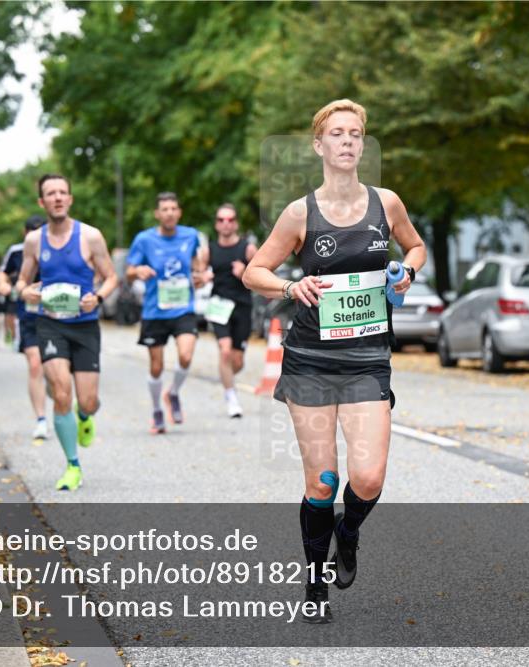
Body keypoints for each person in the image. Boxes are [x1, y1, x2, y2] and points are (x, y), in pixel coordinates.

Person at [242, 100, 426, 623]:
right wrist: (289, 284)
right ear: (319, 146)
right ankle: (316, 579)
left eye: (355, 134)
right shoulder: (300, 213)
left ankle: (348, 533)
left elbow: (416, 248)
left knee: (367, 479)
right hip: (311, 361)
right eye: (337, 134)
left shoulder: (386, 204)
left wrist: (406, 273)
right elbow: (255, 270)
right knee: (322, 481)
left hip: (368, 359)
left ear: (362, 145)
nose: (347, 141)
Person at [16, 174, 118, 491]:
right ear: (42, 202)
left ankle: (84, 415)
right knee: (61, 391)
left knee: (87, 401)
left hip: (85, 326)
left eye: (63, 192)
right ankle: (73, 465)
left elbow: (112, 277)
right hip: (50, 324)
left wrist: (98, 297)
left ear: (70, 199)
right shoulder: (35, 241)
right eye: (51, 193)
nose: (58, 197)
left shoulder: (91, 236)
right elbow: (21, 281)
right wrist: (25, 292)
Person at [126, 192, 208, 434]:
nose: (169, 212)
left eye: (173, 208)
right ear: (157, 214)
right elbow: (128, 271)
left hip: (183, 308)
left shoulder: (190, 235)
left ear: (179, 212)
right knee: (156, 367)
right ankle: (156, 411)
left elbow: (197, 264)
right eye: (165, 209)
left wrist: (201, 275)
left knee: (185, 356)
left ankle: (172, 393)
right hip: (155, 311)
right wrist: (137, 271)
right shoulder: (144, 240)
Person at [198, 203, 257, 417]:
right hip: (218, 306)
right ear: (216, 224)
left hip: (242, 306)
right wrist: (202, 278)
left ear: (236, 223)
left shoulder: (247, 248)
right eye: (222, 220)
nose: (226, 224)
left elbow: (263, 275)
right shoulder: (209, 250)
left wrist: (244, 273)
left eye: (230, 219)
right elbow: (196, 278)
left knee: (237, 361)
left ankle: (227, 378)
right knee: (224, 350)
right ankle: (231, 396)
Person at [0, 215, 49, 440]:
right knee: (36, 365)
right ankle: (41, 420)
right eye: (33, 233)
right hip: (28, 318)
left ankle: (59, 397)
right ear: (25, 233)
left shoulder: (57, 247)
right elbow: (3, 273)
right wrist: (2, 284)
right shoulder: (16, 252)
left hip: (56, 317)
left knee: (56, 373)